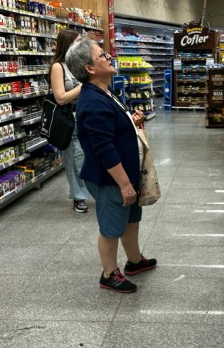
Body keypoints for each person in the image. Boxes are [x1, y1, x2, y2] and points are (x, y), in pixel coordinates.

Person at [65, 39, 156, 293]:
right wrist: (125, 184)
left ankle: (135, 261)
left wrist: (132, 121)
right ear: (90, 68)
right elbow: (104, 148)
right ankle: (109, 274)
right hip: (111, 178)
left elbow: (113, 128)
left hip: (125, 173)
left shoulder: (104, 91)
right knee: (111, 226)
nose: (108, 56)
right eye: (101, 55)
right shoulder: (92, 102)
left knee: (130, 218)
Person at [49, 29, 91, 213]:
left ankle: (91, 190)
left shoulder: (81, 63)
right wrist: (83, 86)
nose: (80, 44)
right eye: (77, 41)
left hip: (87, 116)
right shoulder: (58, 67)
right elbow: (60, 98)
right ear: (67, 44)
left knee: (89, 155)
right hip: (70, 119)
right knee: (75, 158)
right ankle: (79, 196)